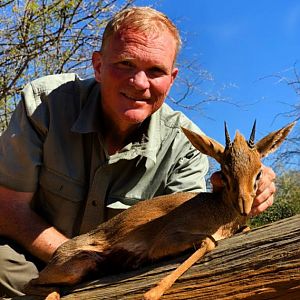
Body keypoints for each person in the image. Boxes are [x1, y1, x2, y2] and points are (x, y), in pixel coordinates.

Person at [0, 6, 276, 297]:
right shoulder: (46, 104)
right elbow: (8, 208)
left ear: (171, 80)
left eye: (156, 71)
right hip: (31, 262)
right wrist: (80, 266)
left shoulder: (186, 147)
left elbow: (184, 236)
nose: (140, 83)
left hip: (123, 276)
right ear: (98, 66)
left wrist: (243, 189)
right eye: (125, 64)